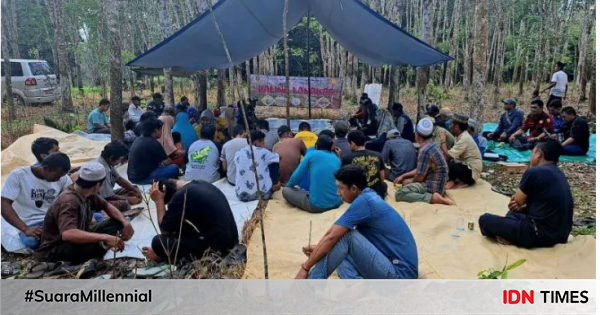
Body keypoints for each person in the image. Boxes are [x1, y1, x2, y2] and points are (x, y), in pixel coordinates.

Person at [295, 165, 418, 279]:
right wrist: (320, 250)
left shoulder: (365, 201)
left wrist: (305, 267)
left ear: (353, 188)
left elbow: (331, 236)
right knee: (339, 250)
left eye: (340, 188)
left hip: (400, 274)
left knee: (345, 236)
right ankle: (355, 285)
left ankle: (311, 284)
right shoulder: (368, 197)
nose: (338, 193)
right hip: (392, 265)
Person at [478, 140, 573, 248]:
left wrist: (520, 203)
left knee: (485, 220)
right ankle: (510, 234)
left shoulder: (534, 172)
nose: (530, 156)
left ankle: (510, 237)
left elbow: (516, 201)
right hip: (561, 235)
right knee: (514, 213)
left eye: (532, 153)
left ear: (538, 154)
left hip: (539, 234)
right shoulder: (559, 173)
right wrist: (523, 206)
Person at [36, 162, 134, 264]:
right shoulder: (69, 201)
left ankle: (106, 244)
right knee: (95, 246)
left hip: (79, 234)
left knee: (117, 223)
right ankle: (102, 247)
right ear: (97, 185)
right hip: (57, 248)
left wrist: (125, 223)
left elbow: (106, 205)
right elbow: (68, 234)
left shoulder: (87, 192)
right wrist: (105, 237)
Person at [142, 180, 238, 262]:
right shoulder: (199, 183)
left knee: (158, 242)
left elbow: (165, 231)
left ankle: (162, 256)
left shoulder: (180, 196)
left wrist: (159, 201)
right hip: (231, 240)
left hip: (219, 250)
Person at [1, 153, 73, 250]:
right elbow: (4, 203)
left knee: (96, 217)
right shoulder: (19, 176)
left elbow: (71, 199)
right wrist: (25, 229)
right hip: (29, 224)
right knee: (31, 242)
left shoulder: (63, 179)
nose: (58, 179)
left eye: (61, 176)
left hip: (52, 220)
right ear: (45, 168)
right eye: (56, 176)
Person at [394, 119, 452, 205]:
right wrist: (404, 176)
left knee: (400, 194)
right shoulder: (433, 145)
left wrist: (410, 183)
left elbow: (419, 177)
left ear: (416, 135)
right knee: (407, 182)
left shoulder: (424, 150)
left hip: (432, 187)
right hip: (440, 186)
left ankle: (432, 198)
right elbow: (420, 169)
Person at [284, 135, 342, 213]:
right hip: (336, 203)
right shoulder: (337, 159)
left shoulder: (312, 154)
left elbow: (296, 176)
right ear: (331, 146)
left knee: (286, 190)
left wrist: (289, 185)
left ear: (316, 146)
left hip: (317, 205)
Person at [94, 141, 143, 213]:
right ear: (112, 158)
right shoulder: (103, 170)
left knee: (133, 188)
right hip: (99, 201)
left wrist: (134, 189)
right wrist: (128, 199)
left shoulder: (107, 162)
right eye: (120, 159)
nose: (120, 162)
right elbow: (107, 197)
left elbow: (119, 179)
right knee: (125, 204)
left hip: (106, 194)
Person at [127, 118, 179, 185]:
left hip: (132, 176)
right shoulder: (153, 143)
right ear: (156, 130)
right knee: (174, 168)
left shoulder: (139, 139)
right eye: (161, 129)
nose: (161, 132)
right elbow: (167, 162)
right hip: (143, 178)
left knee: (161, 165)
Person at [438, 114, 483, 189]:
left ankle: (464, 181)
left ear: (456, 127)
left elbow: (448, 155)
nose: (449, 126)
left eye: (451, 124)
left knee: (444, 163)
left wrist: (443, 140)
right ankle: (456, 180)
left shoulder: (464, 138)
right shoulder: (458, 136)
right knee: (445, 162)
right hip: (465, 166)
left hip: (472, 174)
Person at [234, 131, 280, 201]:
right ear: (255, 143)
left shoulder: (238, 153)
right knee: (274, 163)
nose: (264, 144)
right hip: (262, 194)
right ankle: (274, 184)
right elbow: (278, 158)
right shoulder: (263, 151)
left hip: (241, 195)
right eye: (262, 142)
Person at [342, 130, 387, 199]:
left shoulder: (346, 158)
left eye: (349, 144)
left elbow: (345, 181)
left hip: (358, 197)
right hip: (377, 194)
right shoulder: (378, 155)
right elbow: (382, 178)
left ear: (352, 143)